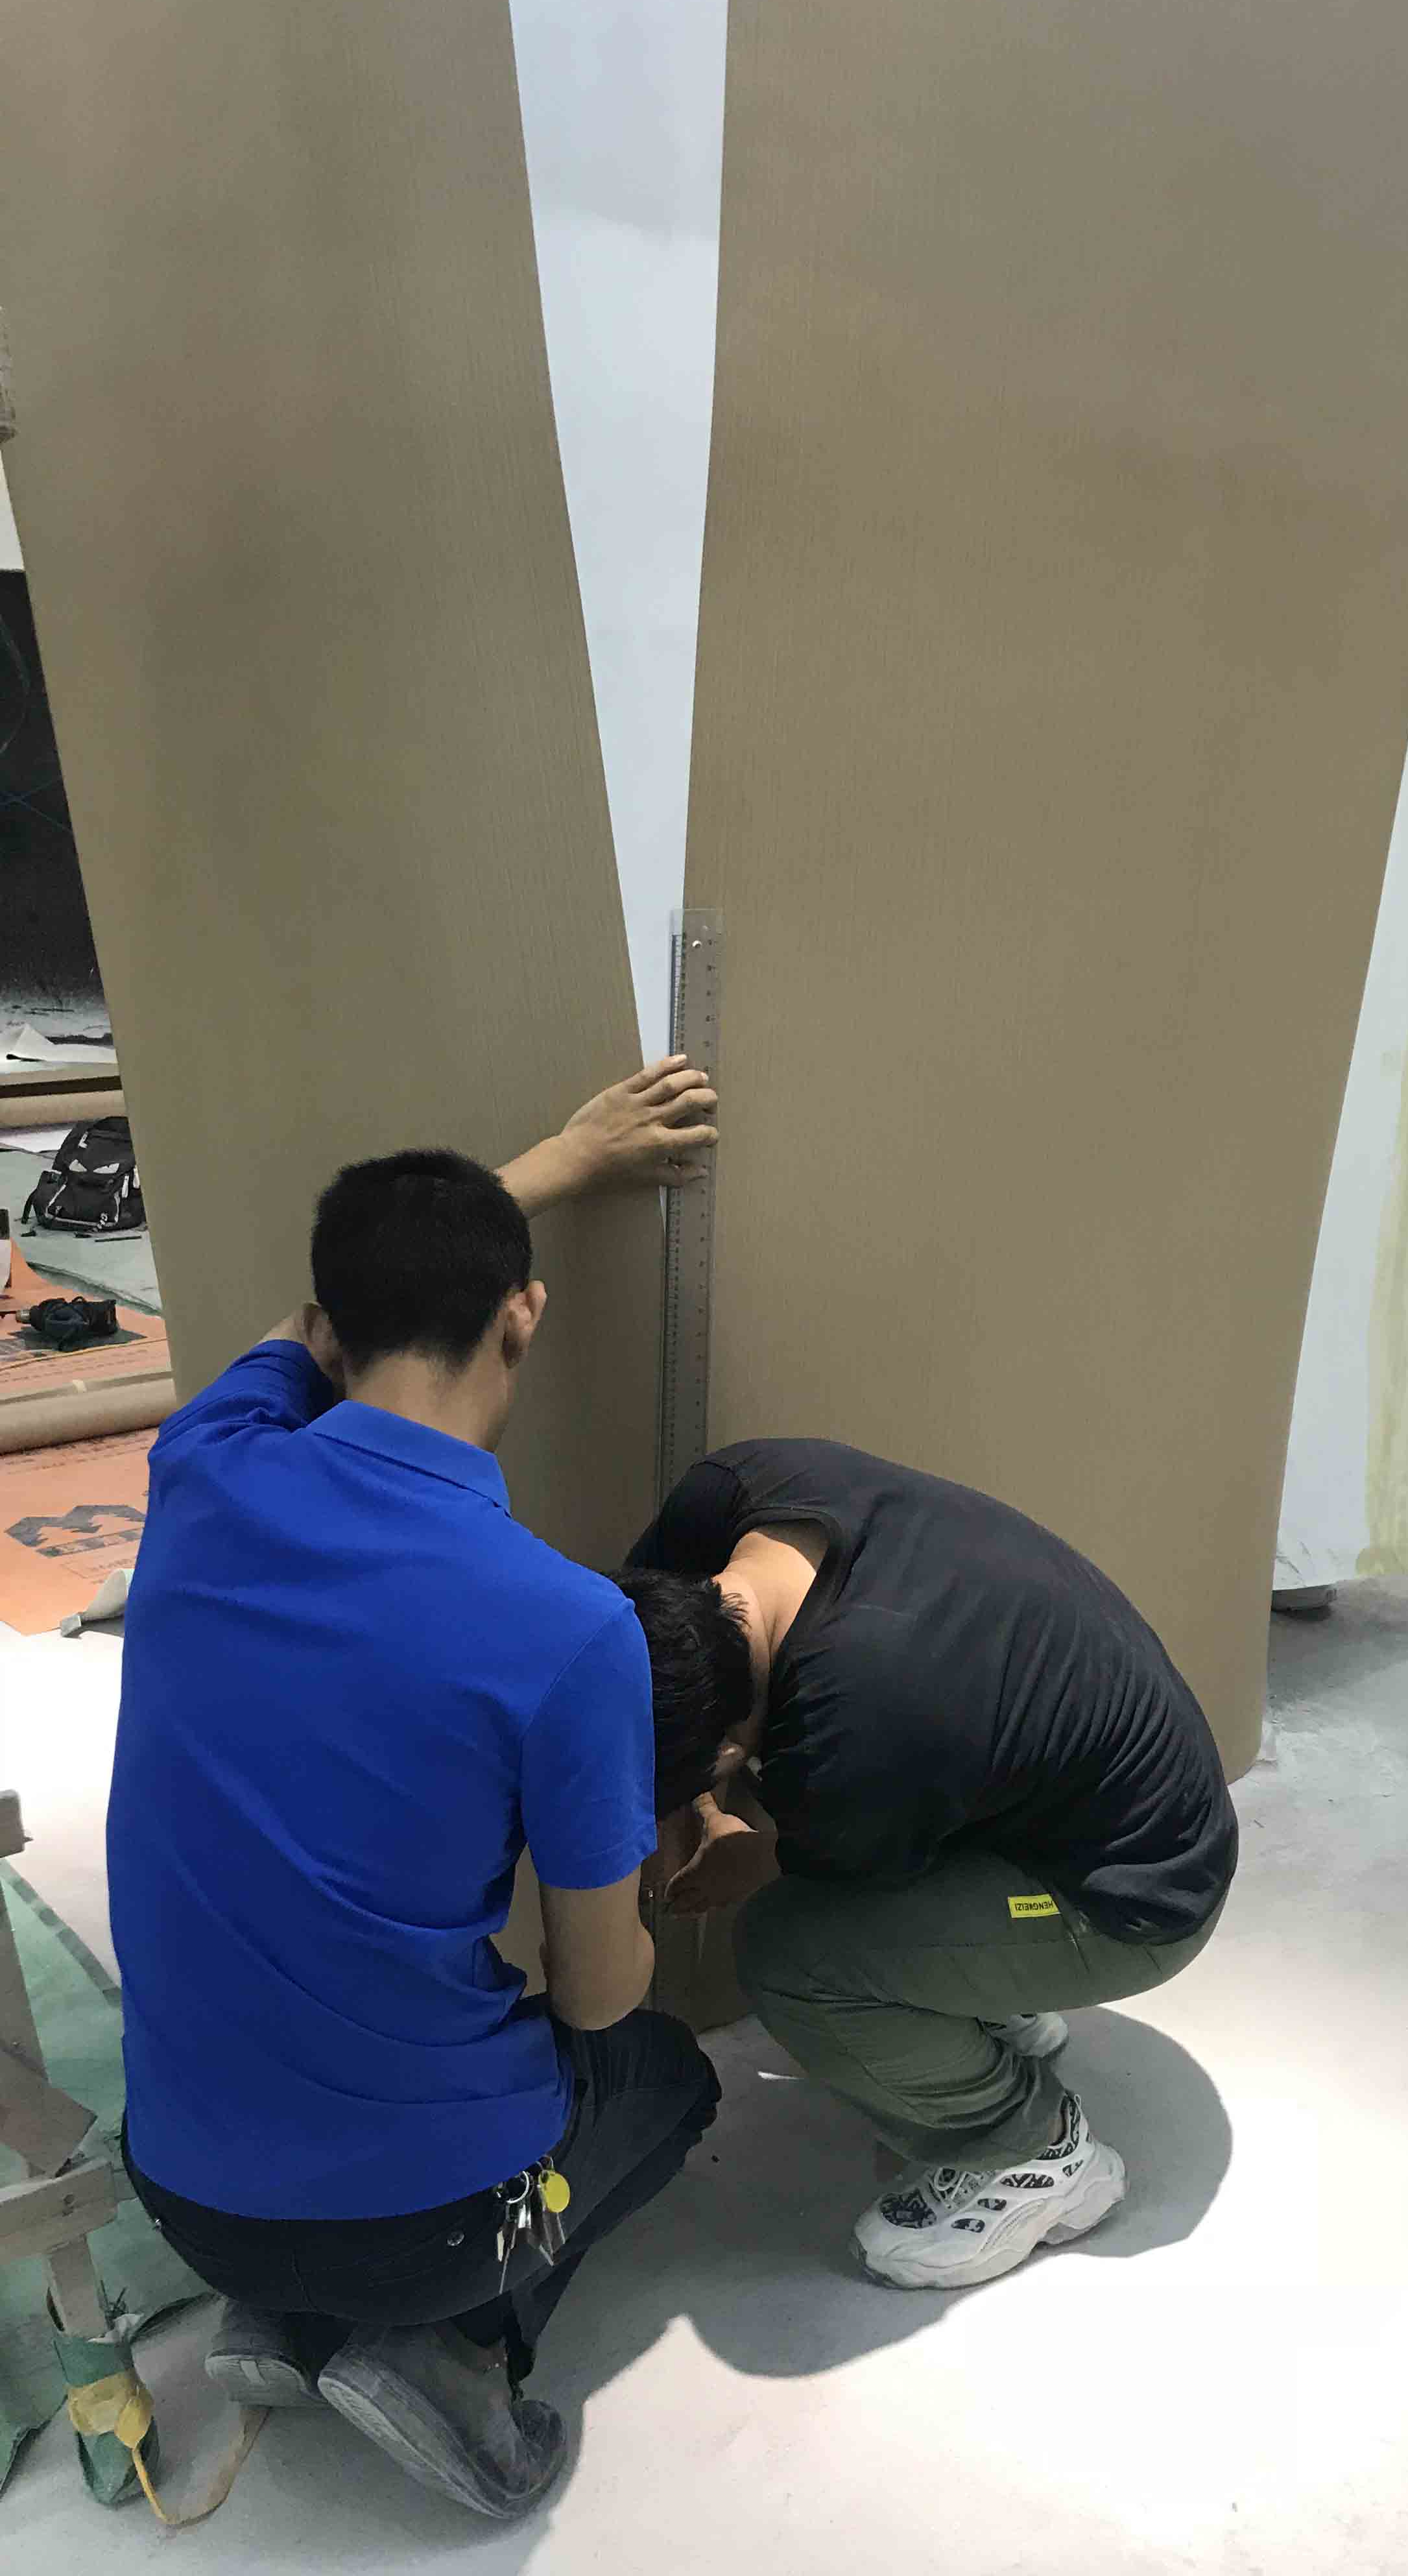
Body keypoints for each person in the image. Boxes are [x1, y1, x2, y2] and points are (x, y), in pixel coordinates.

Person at [110, 1061, 721, 2522]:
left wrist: (551, 1164)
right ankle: (450, 2344)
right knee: (664, 2077)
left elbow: (315, 1315)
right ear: (526, 1316)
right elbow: (597, 1999)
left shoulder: (202, 1465)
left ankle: (283, 2320)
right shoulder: (571, 1629)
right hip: (423, 2230)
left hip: (180, 2195)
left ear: (327, 1334)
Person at [620, 1438, 1237, 2290]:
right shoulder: (731, 1494)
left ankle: (1032, 2152)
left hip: (1134, 1895)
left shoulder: (859, 1720)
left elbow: (815, 1858)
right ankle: (971, 2004)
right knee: (841, 1858)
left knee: (792, 1956)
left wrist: (734, 1848)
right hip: (1067, 1800)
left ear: (725, 1750)